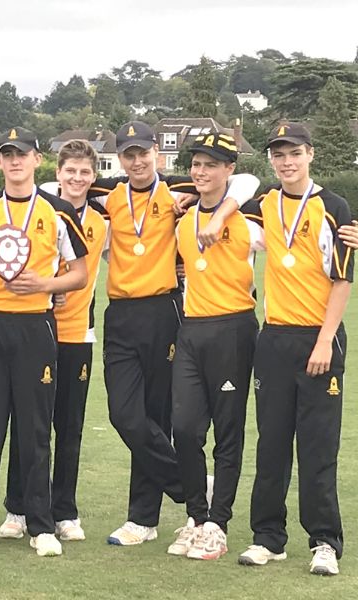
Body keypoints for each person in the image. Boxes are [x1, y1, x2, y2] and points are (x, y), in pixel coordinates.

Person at [88, 121, 258, 546]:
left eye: (143, 153)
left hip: (165, 311)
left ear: (155, 155)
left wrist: (218, 211)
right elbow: (60, 182)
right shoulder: (108, 193)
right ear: (121, 159)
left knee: (158, 415)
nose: (136, 161)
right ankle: (192, 483)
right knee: (125, 416)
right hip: (121, 314)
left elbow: (245, 178)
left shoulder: (181, 189)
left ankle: (142, 519)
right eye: (128, 155)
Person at [0, 127, 88, 557]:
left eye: (23, 154)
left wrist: (45, 283)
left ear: (37, 160)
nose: (15, 162)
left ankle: (41, 524)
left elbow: (81, 273)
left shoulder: (57, 212)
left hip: (36, 325)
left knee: (35, 429)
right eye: (7, 155)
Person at [237, 123, 353, 576]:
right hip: (275, 338)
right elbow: (220, 197)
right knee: (272, 444)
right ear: (271, 160)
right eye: (279, 155)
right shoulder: (263, 203)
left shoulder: (333, 207)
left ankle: (324, 541)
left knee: (318, 446)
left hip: (318, 338)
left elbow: (342, 280)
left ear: (311, 155)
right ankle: (268, 537)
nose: (287, 162)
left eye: (295, 153)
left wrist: (325, 340)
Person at [0, 139, 107, 543]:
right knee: (25, 421)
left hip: (78, 333)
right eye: (70, 171)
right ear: (57, 173)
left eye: (85, 173)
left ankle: (65, 510)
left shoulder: (103, 218)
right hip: (32, 328)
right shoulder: (36, 208)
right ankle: (18, 508)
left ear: (93, 178)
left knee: (69, 426)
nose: (77, 178)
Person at [170, 133, 262, 560]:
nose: (201, 172)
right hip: (191, 331)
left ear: (229, 169)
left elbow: (252, 183)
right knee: (185, 428)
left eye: (212, 164)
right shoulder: (183, 220)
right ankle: (195, 516)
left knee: (228, 432)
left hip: (233, 330)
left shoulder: (248, 219)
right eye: (196, 164)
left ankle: (217, 523)